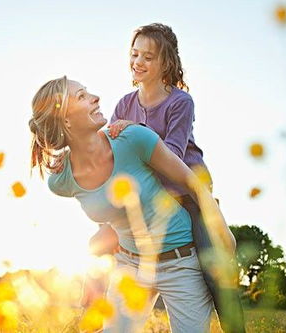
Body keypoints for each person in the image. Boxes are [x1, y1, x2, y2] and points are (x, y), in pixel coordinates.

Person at [29, 76, 236, 333]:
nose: (95, 97)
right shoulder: (61, 181)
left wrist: (221, 231)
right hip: (130, 265)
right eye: (81, 96)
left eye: (88, 92)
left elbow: (192, 181)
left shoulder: (133, 139)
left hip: (180, 260)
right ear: (66, 120)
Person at [107, 23, 245, 333]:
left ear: (166, 62)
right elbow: (109, 153)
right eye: (134, 54)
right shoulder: (124, 105)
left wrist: (133, 133)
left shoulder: (180, 102)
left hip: (188, 193)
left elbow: (172, 154)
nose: (138, 63)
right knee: (102, 249)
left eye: (148, 57)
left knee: (215, 273)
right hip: (148, 197)